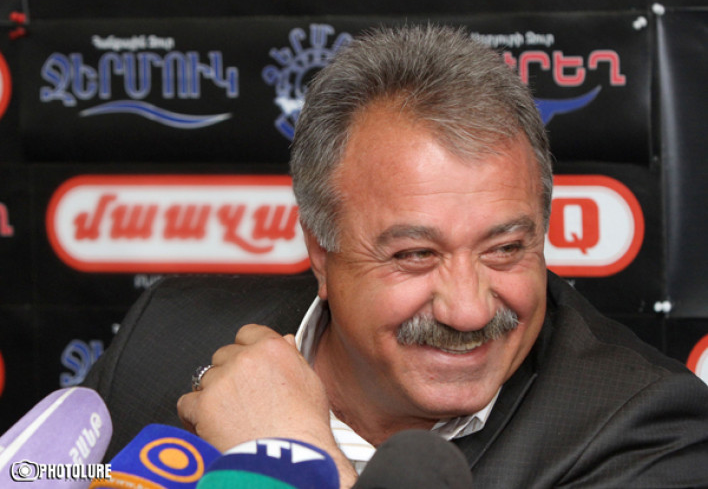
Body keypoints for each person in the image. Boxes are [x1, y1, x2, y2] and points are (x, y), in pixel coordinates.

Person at [89, 25, 708, 487]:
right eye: (415, 254)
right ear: (321, 252)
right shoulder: (163, 335)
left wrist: (295, 462)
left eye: (505, 250)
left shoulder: (643, 433)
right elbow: (50, 473)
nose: (468, 311)